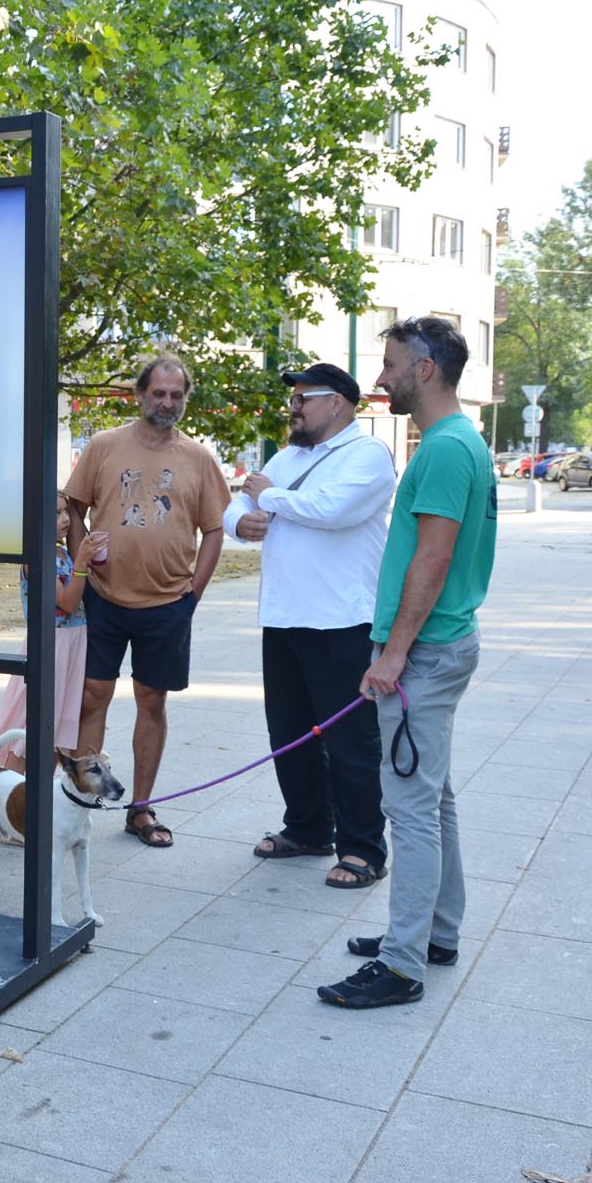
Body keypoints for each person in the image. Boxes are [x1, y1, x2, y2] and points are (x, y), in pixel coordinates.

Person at [319, 316, 497, 1010]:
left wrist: (393, 653)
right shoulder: (455, 444)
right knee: (435, 796)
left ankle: (401, 965)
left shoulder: (448, 449)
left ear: (424, 368)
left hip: (423, 653)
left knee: (412, 808)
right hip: (435, 647)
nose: (380, 377)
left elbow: (434, 556)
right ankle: (435, 933)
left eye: (390, 364)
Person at [224, 363, 397, 888]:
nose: (294, 407)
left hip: (341, 622)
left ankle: (363, 848)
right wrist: (241, 521)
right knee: (290, 734)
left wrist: (269, 497)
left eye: (305, 397)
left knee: (350, 741)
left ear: (339, 403)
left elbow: (332, 509)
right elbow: (238, 502)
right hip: (283, 618)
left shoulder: (367, 455)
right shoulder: (289, 455)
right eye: (294, 398)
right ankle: (307, 828)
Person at [64, 354, 229, 848]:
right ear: (139, 394)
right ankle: (81, 801)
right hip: (104, 597)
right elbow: (74, 506)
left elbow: (216, 530)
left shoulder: (199, 458)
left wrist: (193, 594)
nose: (167, 403)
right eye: (158, 393)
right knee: (93, 694)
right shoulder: (104, 445)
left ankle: (140, 808)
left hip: (167, 605)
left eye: (176, 395)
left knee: (150, 701)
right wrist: (80, 562)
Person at [0, 493, 110, 776]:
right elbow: (66, 601)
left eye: (66, 512)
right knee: (32, 722)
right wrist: (82, 564)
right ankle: (15, 794)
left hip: (72, 646)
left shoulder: (61, 553)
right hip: (50, 646)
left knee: (57, 726)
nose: (65, 519)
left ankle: (40, 799)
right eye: (55, 514)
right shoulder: (37, 558)